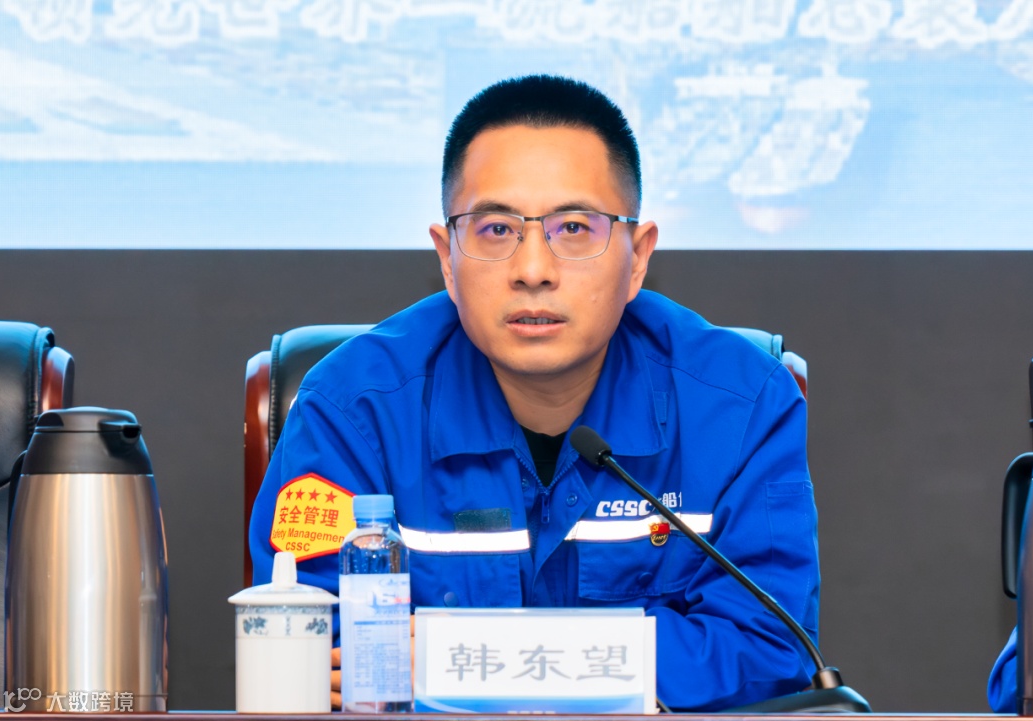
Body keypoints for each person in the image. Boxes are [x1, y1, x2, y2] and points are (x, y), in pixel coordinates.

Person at [248, 74, 819, 711]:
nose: (533, 270)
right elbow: (311, 650)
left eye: (574, 227)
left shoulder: (740, 407)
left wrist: (466, 664)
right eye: (496, 230)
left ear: (637, 257)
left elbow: (769, 650)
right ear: (447, 257)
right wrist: (614, 667)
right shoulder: (352, 410)